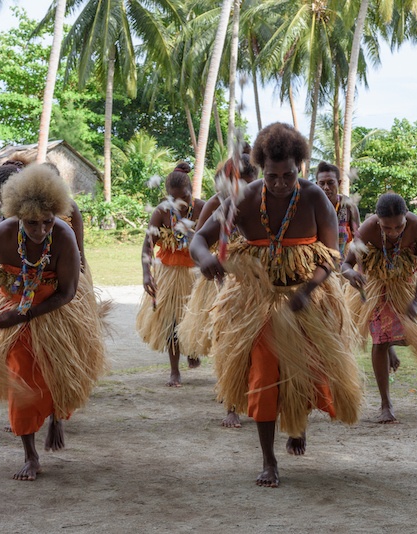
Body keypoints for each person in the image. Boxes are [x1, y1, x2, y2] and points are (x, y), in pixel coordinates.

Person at [189, 122, 362, 488]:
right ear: (261, 168)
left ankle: (297, 423)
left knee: (306, 373)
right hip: (257, 302)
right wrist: (204, 258)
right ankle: (269, 461)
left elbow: (332, 256)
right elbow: (200, 240)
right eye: (272, 175)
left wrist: (308, 288)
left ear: (299, 167)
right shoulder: (244, 198)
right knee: (264, 377)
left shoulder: (314, 197)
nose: (281, 183)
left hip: (307, 300)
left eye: (288, 175)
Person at [0, 164, 107, 481]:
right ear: (17, 217)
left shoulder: (64, 236)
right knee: (21, 374)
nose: (41, 230)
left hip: (54, 309)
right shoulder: (2, 233)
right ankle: (31, 455)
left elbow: (68, 292)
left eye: (47, 222)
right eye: (32, 223)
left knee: (58, 371)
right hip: (13, 308)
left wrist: (25, 313)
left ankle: (57, 415)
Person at [341, 193, 417, 424]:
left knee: (411, 338)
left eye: (398, 226)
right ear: (378, 221)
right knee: (379, 340)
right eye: (387, 228)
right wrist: (350, 275)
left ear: (405, 219)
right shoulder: (368, 229)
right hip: (376, 288)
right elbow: (346, 263)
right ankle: (385, 405)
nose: (394, 232)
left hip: (408, 285)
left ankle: (390, 345)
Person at [176, 153, 258, 428]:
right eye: (237, 184)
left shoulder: (265, 201)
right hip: (225, 282)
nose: (241, 191)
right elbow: (199, 242)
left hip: (259, 284)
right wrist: (212, 260)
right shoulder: (217, 203)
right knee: (228, 343)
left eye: (248, 184)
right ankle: (232, 405)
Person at [136, 162, 205, 387]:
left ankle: (193, 349)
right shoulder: (162, 212)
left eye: (183, 197)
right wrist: (147, 275)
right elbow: (147, 245)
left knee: (194, 317)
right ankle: (175, 370)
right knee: (172, 322)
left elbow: (214, 239)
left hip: (196, 273)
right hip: (169, 274)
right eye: (173, 198)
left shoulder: (203, 208)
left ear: (191, 192)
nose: (179, 203)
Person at [314, 161, 360, 261]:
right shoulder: (311, 207)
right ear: (316, 184)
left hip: (341, 268)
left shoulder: (348, 206)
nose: (326, 187)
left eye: (330, 183)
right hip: (316, 266)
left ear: (338, 183)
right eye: (322, 183)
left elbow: (358, 239)